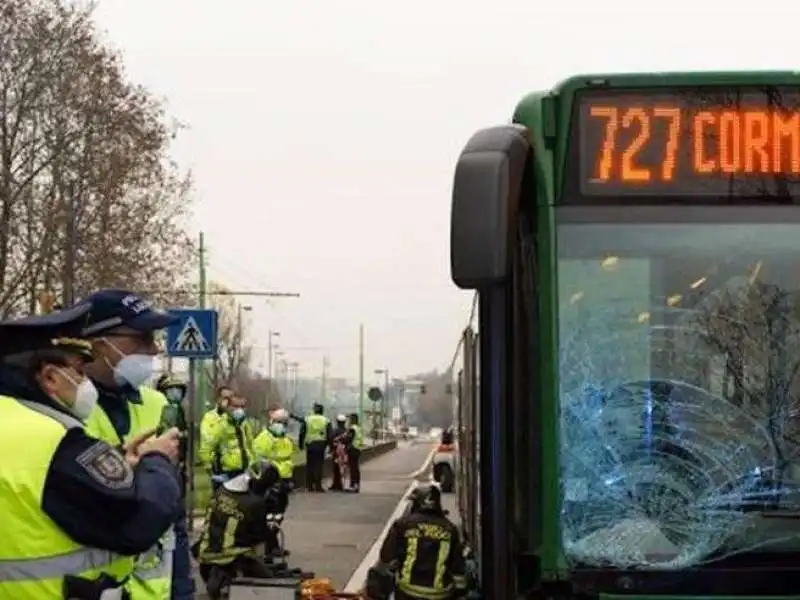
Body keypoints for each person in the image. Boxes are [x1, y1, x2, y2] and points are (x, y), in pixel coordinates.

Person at [0, 305, 183, 600]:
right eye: (80, 371)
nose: (86, 383)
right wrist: (157, 460)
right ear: (50, 378)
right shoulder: (52, 441)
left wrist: (121, 465)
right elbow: (139, 518)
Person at [78, 289, 192, 600]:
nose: (154, 349)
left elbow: (174, 520)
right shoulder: (63, 410)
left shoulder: (157, 406)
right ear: (100, 346)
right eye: (141, 338)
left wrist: (182, 592)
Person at [196, 459, 285, 599]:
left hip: (204, 556)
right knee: (269, 584)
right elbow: (259, 536)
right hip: (232, 559)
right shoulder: (254, 503)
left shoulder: (221, 490)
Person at [367, 484, 467, 600]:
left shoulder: (402, 525)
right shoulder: (450, 529)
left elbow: (386, 556)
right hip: (441, 595)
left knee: (377, 573)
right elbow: (458, 568)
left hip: (408, 593)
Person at [199, 392, 256, 489]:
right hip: (227, 472)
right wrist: (210, 469)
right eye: (236, 406)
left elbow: (251, 445)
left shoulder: (245, 424)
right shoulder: (221, 424)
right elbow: (208, 446)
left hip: (244, 470)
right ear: (228, 407)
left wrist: (253, 463)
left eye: (242, 406)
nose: (239, 410)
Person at [253, 408, 296, 513]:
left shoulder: (286, 439)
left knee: (281, 505)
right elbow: (257, 457)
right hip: (270, 477)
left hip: (284, 478)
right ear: (272, 422)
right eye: (279, 422)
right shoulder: (264, 437)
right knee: (270, 505)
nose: (281, 425)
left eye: (284, 422)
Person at [299, 402, 332, 492]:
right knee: (319, 465)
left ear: (314, 410)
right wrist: (330, 446)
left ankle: (309, 486)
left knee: (310, 465)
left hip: (310, 444)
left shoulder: (307, 419)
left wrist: (300, 444)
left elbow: (302, 432)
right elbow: (330, 435)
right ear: (322, 411)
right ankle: (318, 486)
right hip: (321, 445)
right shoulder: (326, 420)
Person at [344, 412, 364, 492]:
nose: (349, 420)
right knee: (355, 468)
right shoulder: (358, 428)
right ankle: (356, 485)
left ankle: (353, 485)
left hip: (353, 449)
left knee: (353, 468)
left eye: (350, 419)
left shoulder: (352, 429)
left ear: (353, 419)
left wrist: (343, 441)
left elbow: (348, 439)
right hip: (357, 449)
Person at [329, 414, 348, 491]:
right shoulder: (346, 431)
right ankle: (340, 484)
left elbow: (331, 440)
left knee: (336, 468)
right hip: (344, 452)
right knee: (342, 468)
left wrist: (331, 449)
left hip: (336, 452)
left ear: (337, 422)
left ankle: (336, 484)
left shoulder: (335, 431)